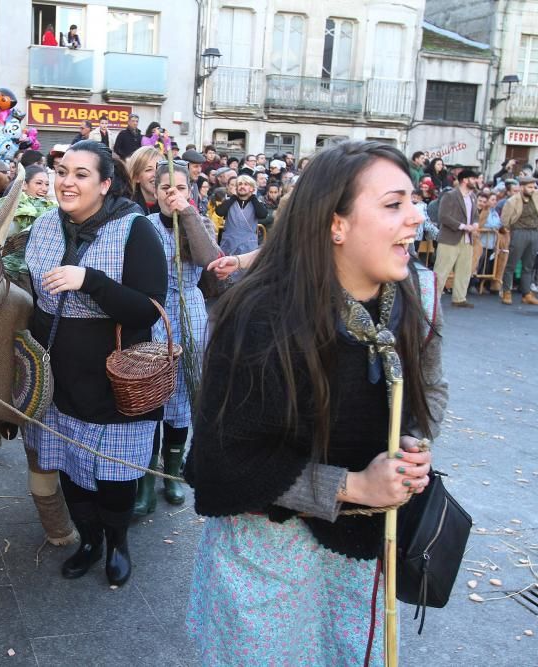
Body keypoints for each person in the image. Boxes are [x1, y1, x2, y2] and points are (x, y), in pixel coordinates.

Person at [185, 140, 446, 665]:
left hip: (361, 548)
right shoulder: (257, 315)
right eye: (394, 204)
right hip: (269, 553)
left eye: (414, 202)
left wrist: (413, 443)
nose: (416, 218)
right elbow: (221, 460)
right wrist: (353, 486)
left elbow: (428, 392)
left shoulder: (412, 296)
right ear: (336, 224)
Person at [24, 139, 167, 587]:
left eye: (81, 174)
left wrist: (90, 280)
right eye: (63, 171)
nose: (67, 181)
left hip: (116, 379)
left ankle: (118, 542)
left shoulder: (135, 229)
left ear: (105, 184)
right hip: (60, 375)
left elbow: (147, 309)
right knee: (70, 467)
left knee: (114, 476)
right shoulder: (46, 226)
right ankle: (89, 541)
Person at [133, 162, 220, 517]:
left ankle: (171, 474)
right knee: (151, 394)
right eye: (165, 186)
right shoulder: (144, 225)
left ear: (191, 190)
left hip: (190, 312)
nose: (172, 193)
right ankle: (145, 480)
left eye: (180, 187)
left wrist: (187, 215)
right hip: (153, 311)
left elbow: (210, 259)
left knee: (184, 393)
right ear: (154, 190)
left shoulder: (199, 225)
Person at [434, 168, 480, 308]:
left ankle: (459, 298)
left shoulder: (473, 196)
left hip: (467, 239)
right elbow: (443, 216)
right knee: (442, 270)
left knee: (464, 270)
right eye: (473, 179)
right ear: (465, 180)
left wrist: (475, 223)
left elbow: (475, 214)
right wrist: (463, 226)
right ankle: (433, 299)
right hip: (450, 238)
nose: (475, 181)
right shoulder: (450, 195)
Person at [499, 176, 538, 305]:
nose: (533, 189)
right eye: (530, 187)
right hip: (519, 231)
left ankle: (526, 293)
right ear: (521, 187)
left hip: (534, 232)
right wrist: (508, 231)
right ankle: (506, 291)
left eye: (534, 187)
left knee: (528, 265)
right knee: (511, 265)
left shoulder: (537, 195)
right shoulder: (512, 201)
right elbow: (504, 220)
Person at [216, 174, 267, 281]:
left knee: (246, 276)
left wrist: (253, 197)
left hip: (248, 244)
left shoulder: (257, 203)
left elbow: (262, 214)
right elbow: (219, 212)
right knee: (226, 275)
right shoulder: (230, 201)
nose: (242, 186)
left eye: (246, 184)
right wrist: (234, 197)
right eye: (240, 184)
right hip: (229, 243)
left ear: (252, 188)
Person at [126, 146, 162, 216]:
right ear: (136, 177)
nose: (156, 174)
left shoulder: (172, 203)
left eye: (160, 168)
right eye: (148, 170)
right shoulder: (126, 209)